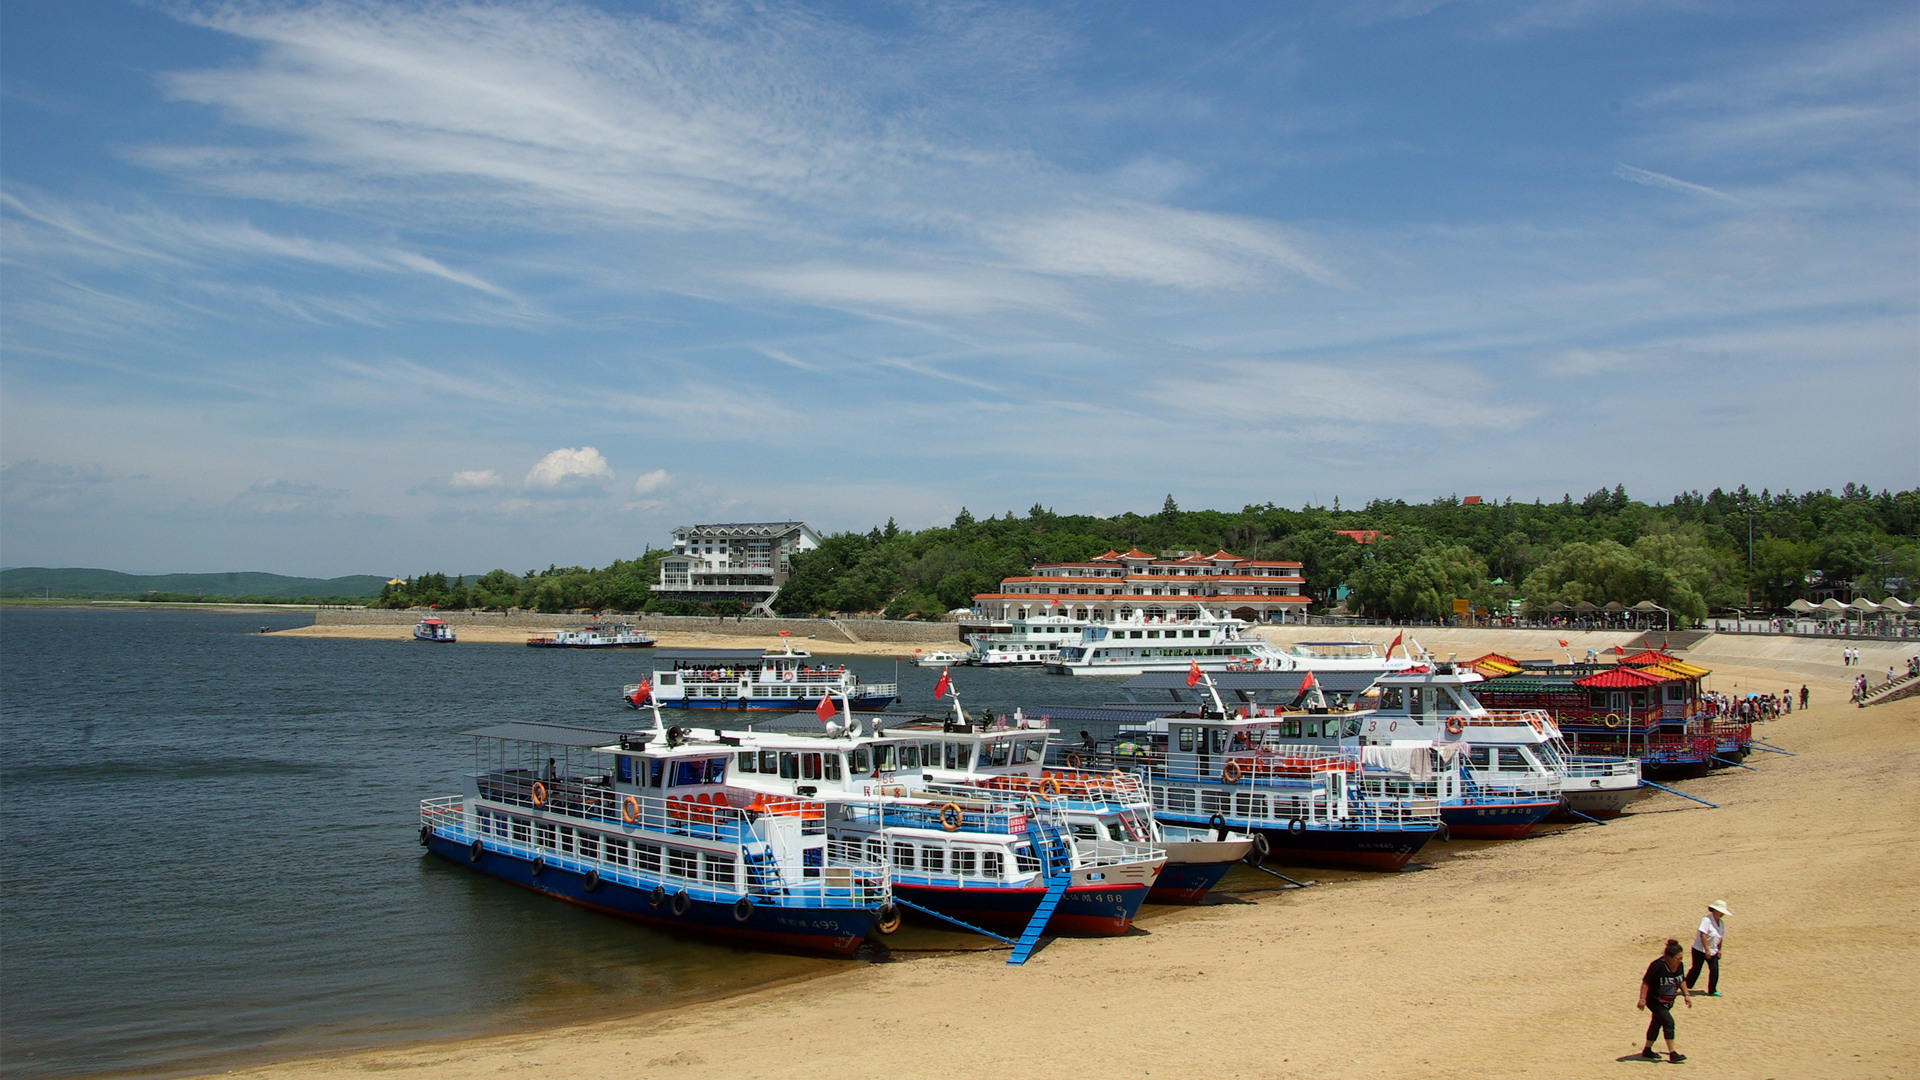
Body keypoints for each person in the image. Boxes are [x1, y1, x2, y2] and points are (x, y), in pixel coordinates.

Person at [1637, 939, 1692, 1062]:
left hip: (1668, 1001)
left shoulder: (1679, 966)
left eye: (1681, 958)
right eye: (1678, 958)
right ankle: (1672, 1053)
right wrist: (1642, 999)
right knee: (1669, 1022)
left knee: (1656, 1022)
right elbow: (1646, 982)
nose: (1680, 961)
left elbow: (1681, 980)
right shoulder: (1657, 966)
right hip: (1654, 1000)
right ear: (1669, 957)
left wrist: (1686, 994)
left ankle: (1647, 1050)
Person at [1688, 900, 1729, 996]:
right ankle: (1685, 985)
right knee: (1696, 969)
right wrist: (1707, 950)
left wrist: (1720, 949)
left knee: (1714, 969)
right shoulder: (1706, 920)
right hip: (1700, 950)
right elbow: (1703, 935)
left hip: (1713, 950)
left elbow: (1720, 937)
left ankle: (1712, 990)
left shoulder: (1721, 923)